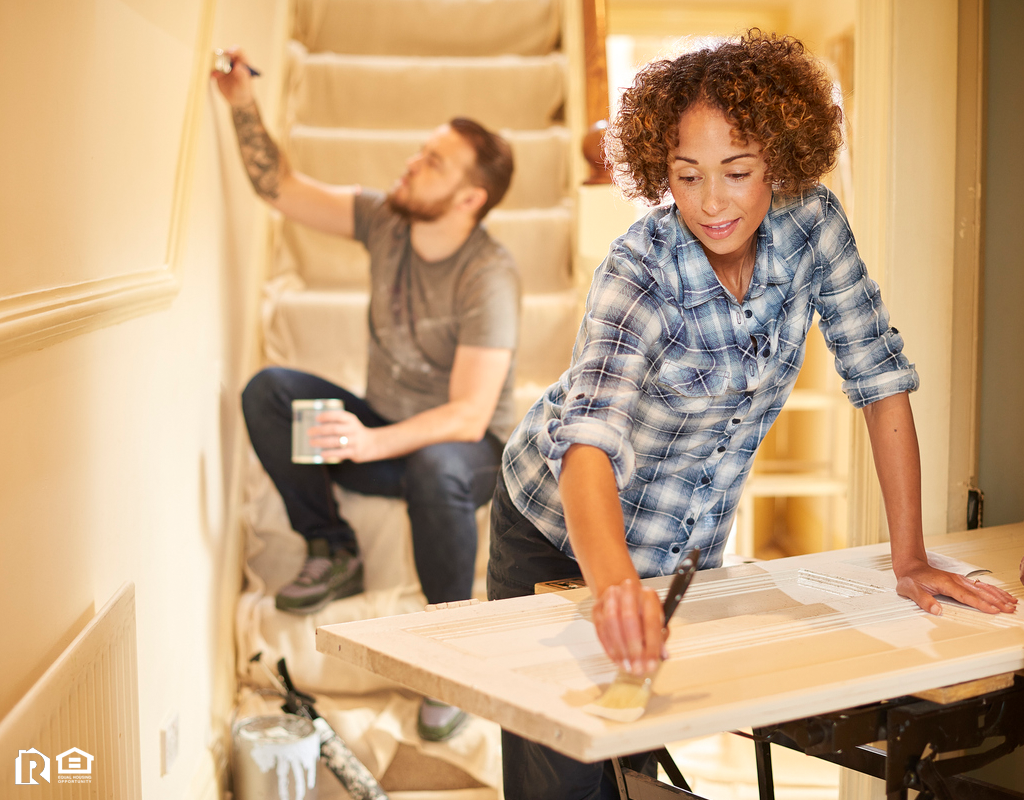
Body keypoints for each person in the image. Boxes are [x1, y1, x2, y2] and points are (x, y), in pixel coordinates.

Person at [486, 29, 1019, 799]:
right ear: (657, 171)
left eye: (738, 172)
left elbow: (877, 374)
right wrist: (612, 591)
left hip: (676, 553)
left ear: (781, 158)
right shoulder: (638, 271)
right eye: (686, 175)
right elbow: (587, 446)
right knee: (565, 775)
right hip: (557, 534)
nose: (711, 202)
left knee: (629, 766)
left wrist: (910, 556)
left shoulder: (815, 228)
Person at [213, 49, 519, 740]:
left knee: (435, 464)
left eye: (434, 163)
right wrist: (239, 101)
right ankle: (332, 547)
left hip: (469, 453)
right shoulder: (385, 220)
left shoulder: (489, 275)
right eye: (421, 152)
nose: (412, 164)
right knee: (271, 392)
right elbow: (280, 189)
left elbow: (470, 415)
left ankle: (451, 656)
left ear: (470, 199)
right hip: (384, 426)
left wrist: (371, 440)